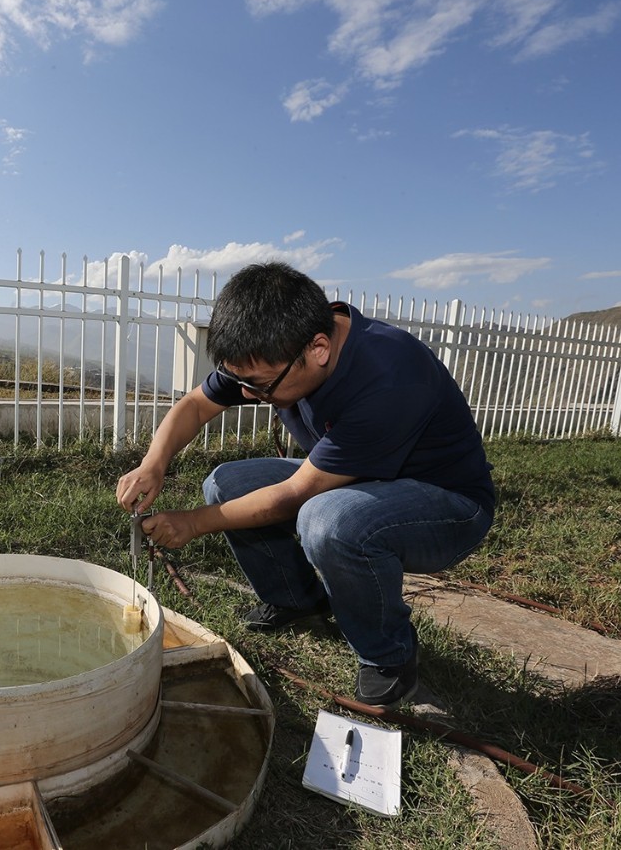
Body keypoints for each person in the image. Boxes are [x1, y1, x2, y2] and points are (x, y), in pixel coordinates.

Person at [116, 261, 494, 706]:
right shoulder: (274, 348)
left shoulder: (390, 374)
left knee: (328, 521)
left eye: (259, 385)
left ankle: (388, 656)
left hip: (444, 503)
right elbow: (197, 405)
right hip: (357, 476)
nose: (250, 394)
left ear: (317, 350)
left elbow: (295, 494)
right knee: (227, 483)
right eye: (240, 381)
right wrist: (154, 463)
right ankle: (296, 601)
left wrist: (193, 523)